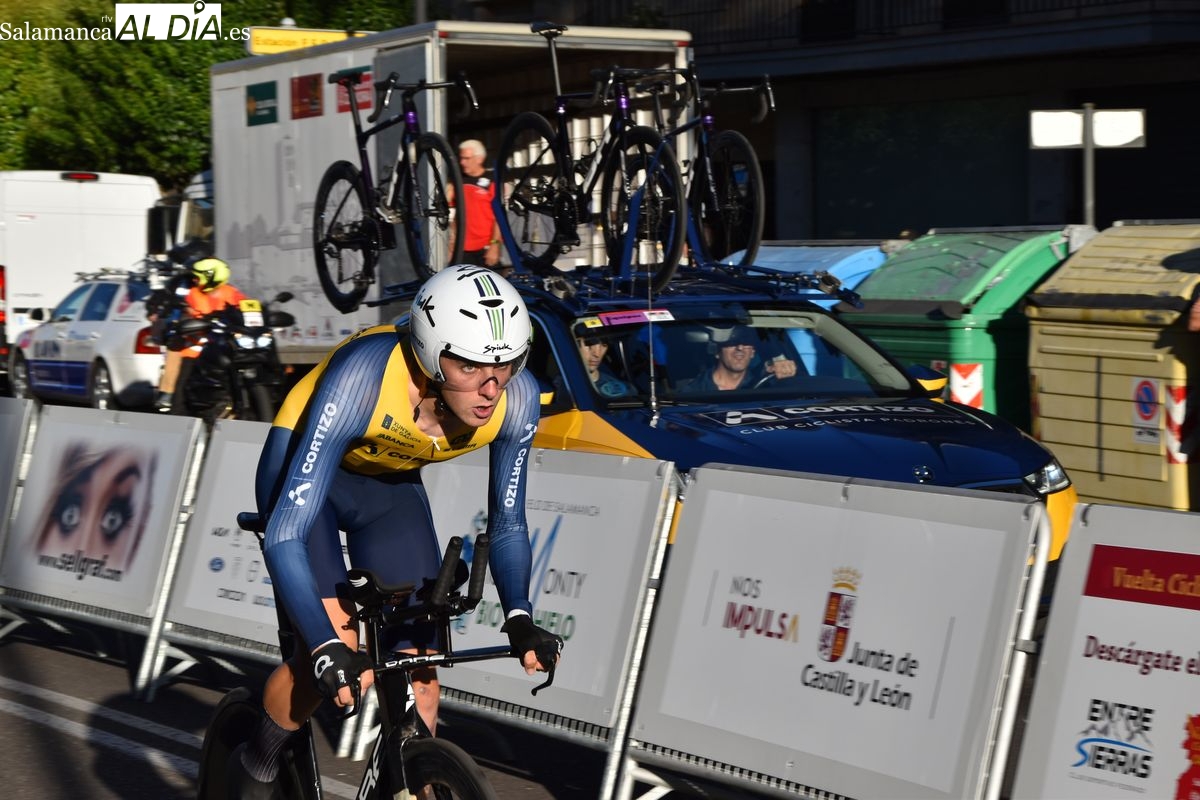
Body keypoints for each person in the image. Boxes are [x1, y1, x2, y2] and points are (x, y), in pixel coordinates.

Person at [228, 265, 563, 799]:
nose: (491, 387)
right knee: (336, 663)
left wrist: (519, 616)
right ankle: (255, 767)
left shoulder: (516, 399)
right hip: (305, 473)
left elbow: (508, 522)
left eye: (506, 363)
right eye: (470, 364)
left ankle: (411, 781)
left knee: (420, 682)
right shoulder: (365, 375)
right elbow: (286, 534)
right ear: (430, 354)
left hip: (387, 489)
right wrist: (322, 647)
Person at [154, 257, 247, 413]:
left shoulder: (230, 292)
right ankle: (170, 399)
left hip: (224, 340)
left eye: (198, 277)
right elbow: (186, 312)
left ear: (212, 277)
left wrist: (258, 312)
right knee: (181, 371)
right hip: (197, 343)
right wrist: (192, 315)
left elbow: (244, 306)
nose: (195, 280)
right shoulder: (193, 293)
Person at [683, 325, 798, 391]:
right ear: (717, 352)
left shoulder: (767, 386)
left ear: (752, 352)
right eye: (732, 342)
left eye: (747, 342)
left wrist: (782, 368)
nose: (740, 348)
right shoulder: (693, 391)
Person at [451, 139, 504, 272]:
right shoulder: (458, 182)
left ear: (479, 159)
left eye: (467, 158)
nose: (462, 162)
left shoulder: (492, 181)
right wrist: (452, 242)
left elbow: (499, 218)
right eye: (461, 158)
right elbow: (452, 214)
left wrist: (495, 245)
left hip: (486, 249)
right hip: (462, 250)